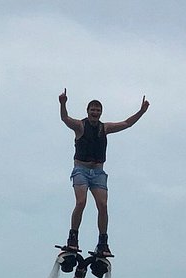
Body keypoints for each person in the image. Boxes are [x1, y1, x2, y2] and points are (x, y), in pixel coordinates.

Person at [59, 89, 149, 256]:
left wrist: (141, 111)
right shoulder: (80, 126)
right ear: (88, 111)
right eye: (92, 110)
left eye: (98, 110)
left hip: (98, 172)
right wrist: (63, 103)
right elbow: (65, 118)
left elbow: (126, 123)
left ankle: (102, 242)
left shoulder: (104, 128)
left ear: (101, 113)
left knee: (103, 206)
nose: (95, 112)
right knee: (81, 203)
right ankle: (73, 237)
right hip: (81, 170)